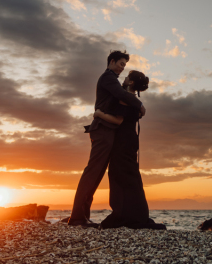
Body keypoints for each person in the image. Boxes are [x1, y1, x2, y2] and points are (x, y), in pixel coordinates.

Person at [68, 50, 145, 228]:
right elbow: (122, 95)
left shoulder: (113, 80)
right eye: (120, 64)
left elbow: (122, 99)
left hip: (106, 130)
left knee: (96, 174)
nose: (122, 68)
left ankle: (81, 217)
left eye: (124, 66)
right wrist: (140, 105)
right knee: (93, 172)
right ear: (111, 62)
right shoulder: (108, 78)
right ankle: (77, 218)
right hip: (102, 130)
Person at [96, 70, 165, 230]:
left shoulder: (127, 99)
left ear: (131, 82)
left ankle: (123, 214)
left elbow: (118, 120)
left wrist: (99, 114)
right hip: (130, 140)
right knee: (130, 176)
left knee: (118, 175)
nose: (124, 78)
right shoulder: (132, 100)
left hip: (123, 141)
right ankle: (135, 214)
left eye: (127, 77)